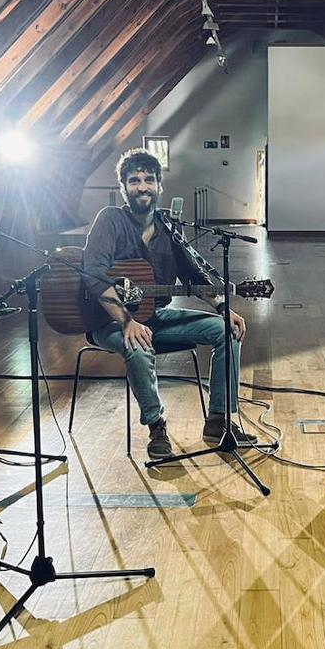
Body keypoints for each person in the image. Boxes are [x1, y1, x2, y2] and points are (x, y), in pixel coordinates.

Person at [81, 149, 253, 460]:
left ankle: (218, 419)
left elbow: (193, 273)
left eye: (149, 180)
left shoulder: (169, 228)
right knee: (136, 344)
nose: (142, 186)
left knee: (226, 331)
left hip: (154, 316)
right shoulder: (110, 220)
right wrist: (126, 321)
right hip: (107, 323)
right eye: (134, 181)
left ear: (160, 185)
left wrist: (221, 307)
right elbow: (92, 273)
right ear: (123, 187)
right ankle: (156, 426)